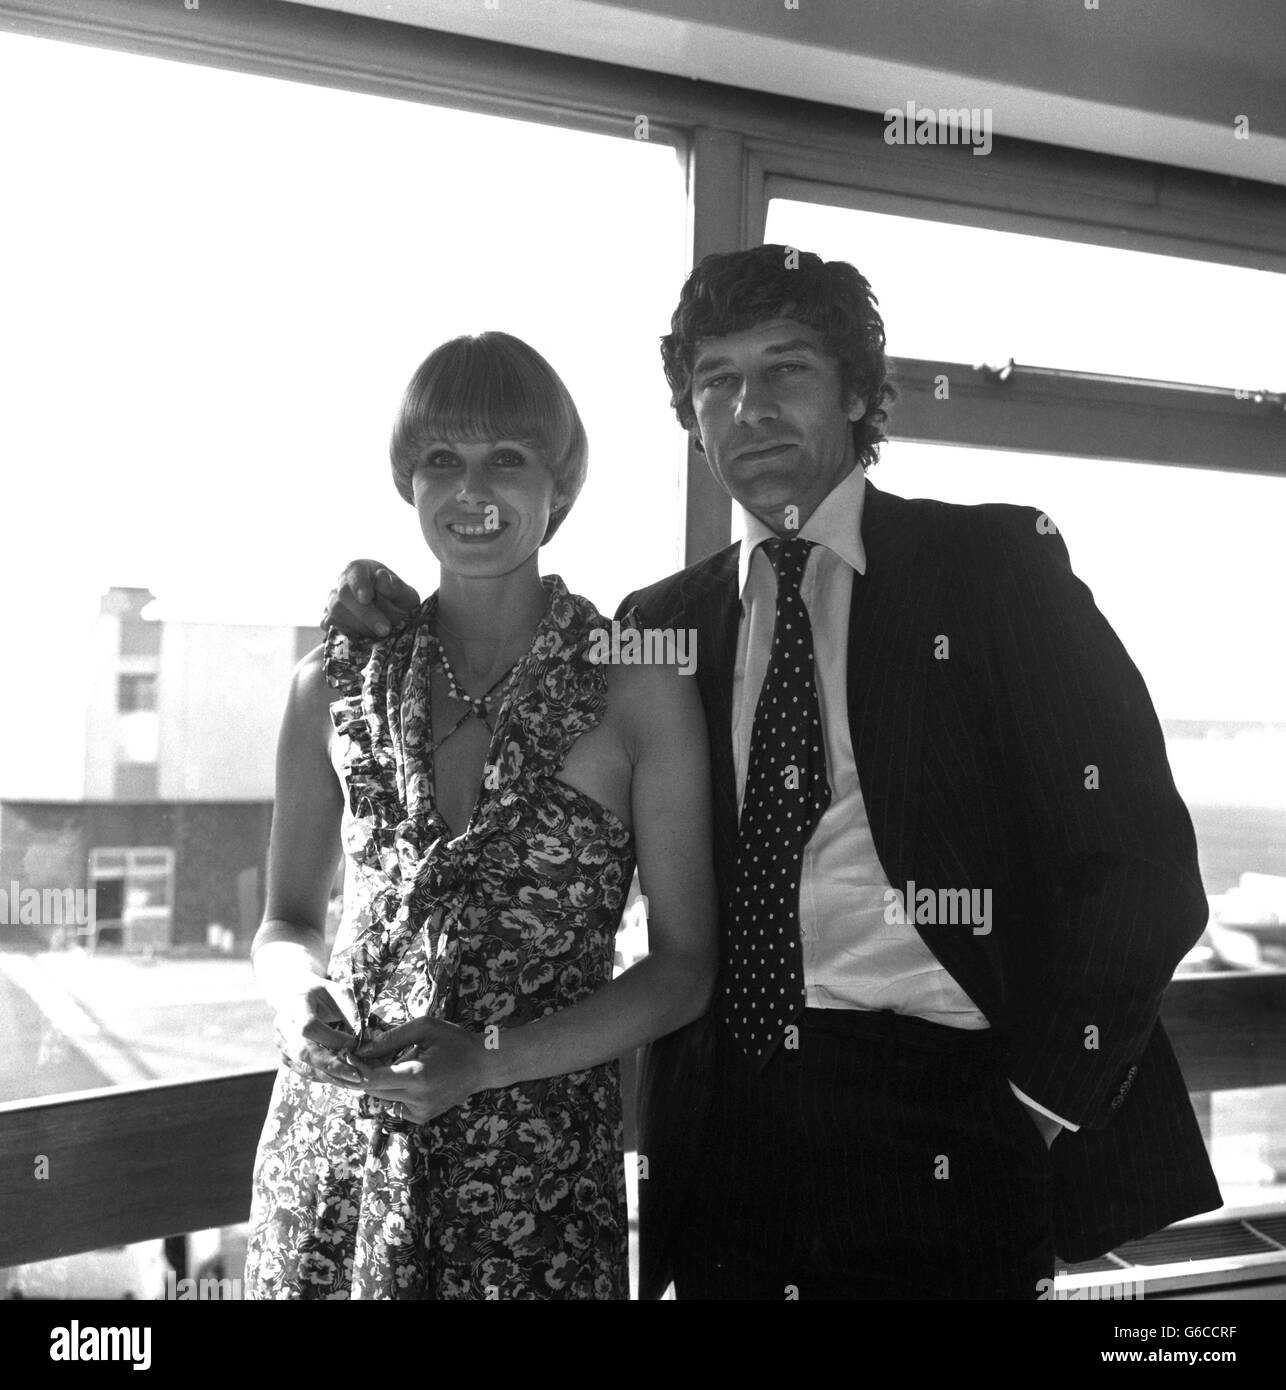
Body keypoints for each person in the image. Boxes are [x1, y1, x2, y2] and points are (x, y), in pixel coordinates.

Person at [322, 247, 1221, 1300]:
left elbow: (1141, 867)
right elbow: (512, 714)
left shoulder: (990, 568)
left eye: (784, 370)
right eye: (715, 380)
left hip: (947, 1110)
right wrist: (376, 610)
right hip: (724, 1128)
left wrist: (1031, 1103)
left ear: (853, 390)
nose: (747, 408)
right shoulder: (657, 627)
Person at [244, 331, 716, 1300]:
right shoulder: (330, 683)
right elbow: (286, 923)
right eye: (441, 460)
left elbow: (684, 969)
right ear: (407, 482)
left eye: (506, 456)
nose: (472, 489)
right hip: (334, 1160)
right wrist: (299, 1006)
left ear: (559, 481)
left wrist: (486, 1063)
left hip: (532, 1181)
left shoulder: (637, 682)